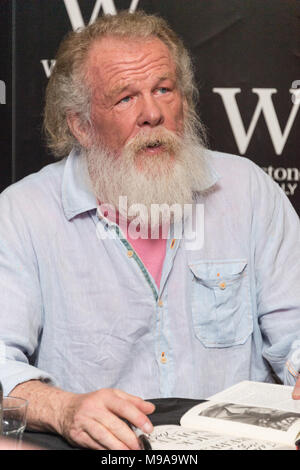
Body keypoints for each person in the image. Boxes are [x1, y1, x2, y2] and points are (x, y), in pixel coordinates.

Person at [0, 11, 299, 451]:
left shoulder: (247, 190)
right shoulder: (23, 214)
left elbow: (294, 323)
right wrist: (63, 409)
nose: (152, 114)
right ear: (81, 124)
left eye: (164, 89)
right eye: (125, 98)